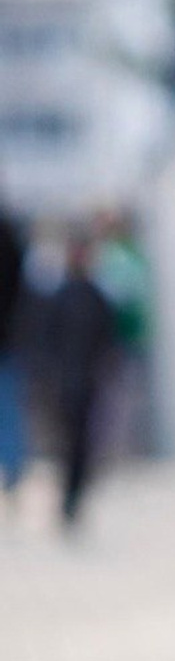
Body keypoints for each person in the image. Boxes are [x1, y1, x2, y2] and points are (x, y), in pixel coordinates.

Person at [39, 233, 120, 530]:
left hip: (85, 378)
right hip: (66, 378)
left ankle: (74, 495)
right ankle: (67, 494)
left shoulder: (94, 296)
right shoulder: (62, 295)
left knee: (80, 441)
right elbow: (47, 339)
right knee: (67, 441)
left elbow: (106, 339)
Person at [0, 199, 27, 501]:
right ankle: (13, 469)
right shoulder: (10, 234)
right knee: (8, 407)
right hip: (7, 336)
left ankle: (13, 469)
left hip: (6, 337)